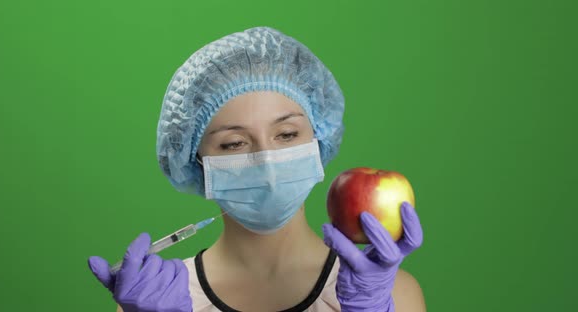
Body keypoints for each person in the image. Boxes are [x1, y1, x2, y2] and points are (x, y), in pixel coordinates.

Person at [88, 26, 425, 312]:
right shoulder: (156, 300)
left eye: (287, 134)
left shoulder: (390, 297)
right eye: (234, 144)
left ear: (319, 139)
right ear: (194, 161)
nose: (266, 160)